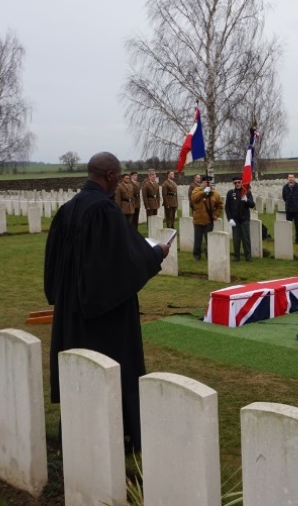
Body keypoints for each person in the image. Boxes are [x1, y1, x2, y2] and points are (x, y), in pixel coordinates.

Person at [44, 152, 168, 454]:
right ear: (111, 175)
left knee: (81, 372)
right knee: (114, 370)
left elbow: (54, 267)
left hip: (72, 313)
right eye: (120, 174)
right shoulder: (103, 210)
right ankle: (121, 434)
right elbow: (122, 262)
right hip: (104, 319)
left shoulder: (68, 209)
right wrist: (156, 254)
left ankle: (78, 429)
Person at [190, 175, 223, 261]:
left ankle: (209, 254)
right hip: (198, 219)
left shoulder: (215, 194)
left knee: (209, 240)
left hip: (208, 220)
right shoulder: (197, 190)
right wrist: (203, 192)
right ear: (202, 183)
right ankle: (197, 255)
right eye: (205, 182)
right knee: (198, 239)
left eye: (209, 182)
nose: (207, 183)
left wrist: (216, 214)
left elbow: (220, 206)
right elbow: (194, 199)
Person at [225, 177, 256, 261]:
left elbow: (252, 205)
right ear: (233, 184)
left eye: (239, 182)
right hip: (235, 220)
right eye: (235, 183)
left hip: (244, 218)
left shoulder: (247, 192)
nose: (237, 184)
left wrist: (247, 200)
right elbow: (227, 207)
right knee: (236, 239)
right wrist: (230, 219)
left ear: (241, 182)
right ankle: (236, 256)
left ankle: (248, 256)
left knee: (246, 238)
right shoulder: (230, 193)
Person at [281, 173, 298, 244]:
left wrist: (296, 203)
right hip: (288, 209)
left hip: (296, 209)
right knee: (288, 225)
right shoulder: (285, 187)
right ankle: (288, 239)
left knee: (297, 225)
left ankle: (297, 239)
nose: (291, 179)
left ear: (294, 178)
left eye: (292, 177)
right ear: (287, 179)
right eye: (289, 177)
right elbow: (284, 197)